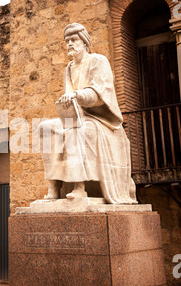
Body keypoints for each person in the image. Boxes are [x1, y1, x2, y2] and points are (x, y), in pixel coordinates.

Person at [38, 22, 137, 204]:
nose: (69, 44)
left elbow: (99, 93)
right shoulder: (69, 68)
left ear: (84, 42)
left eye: (74, 39)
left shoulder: (98, 61)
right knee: (45, 128)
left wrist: (77, 95)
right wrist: (67, 101)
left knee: (77, 130)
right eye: (67, 40)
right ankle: (54, 186)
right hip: (78, 116)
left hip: (102, 121)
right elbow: (69, 96)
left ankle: (79, 187)